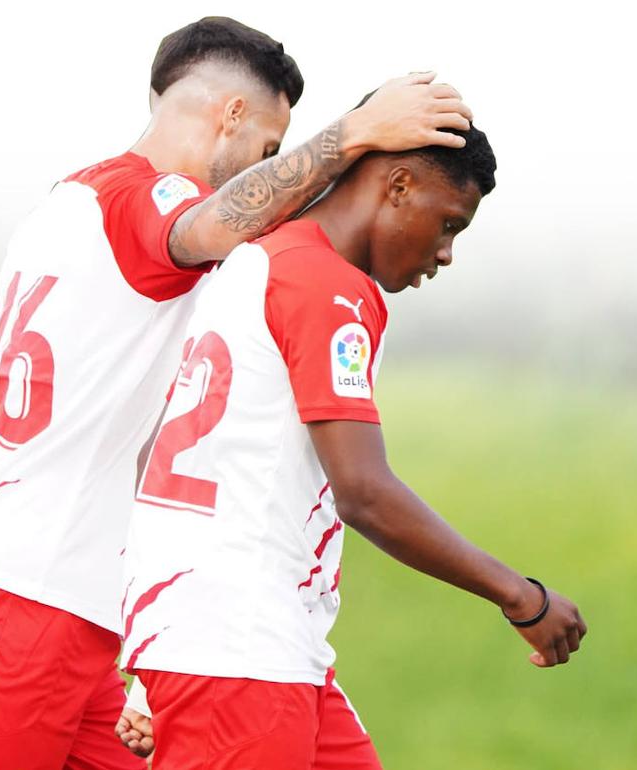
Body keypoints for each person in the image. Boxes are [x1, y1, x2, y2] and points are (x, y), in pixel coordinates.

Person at [0, 17, 474, 770]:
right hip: (31, 597)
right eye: (270, 150)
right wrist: (354, 133)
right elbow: (211, 224)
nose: (269, 172)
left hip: (36, 590)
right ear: (231, 117)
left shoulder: (59, 208)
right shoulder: (149, 198)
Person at [119, 116, 587, 769]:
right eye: (449, 223)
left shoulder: (258, 257)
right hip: (241, 653)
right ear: (397, 185)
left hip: (246, 642)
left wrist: (163, 655)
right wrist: (520, 595)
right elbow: (363, 492)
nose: (446, 252)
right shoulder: (325, 283)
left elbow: (171, 456)